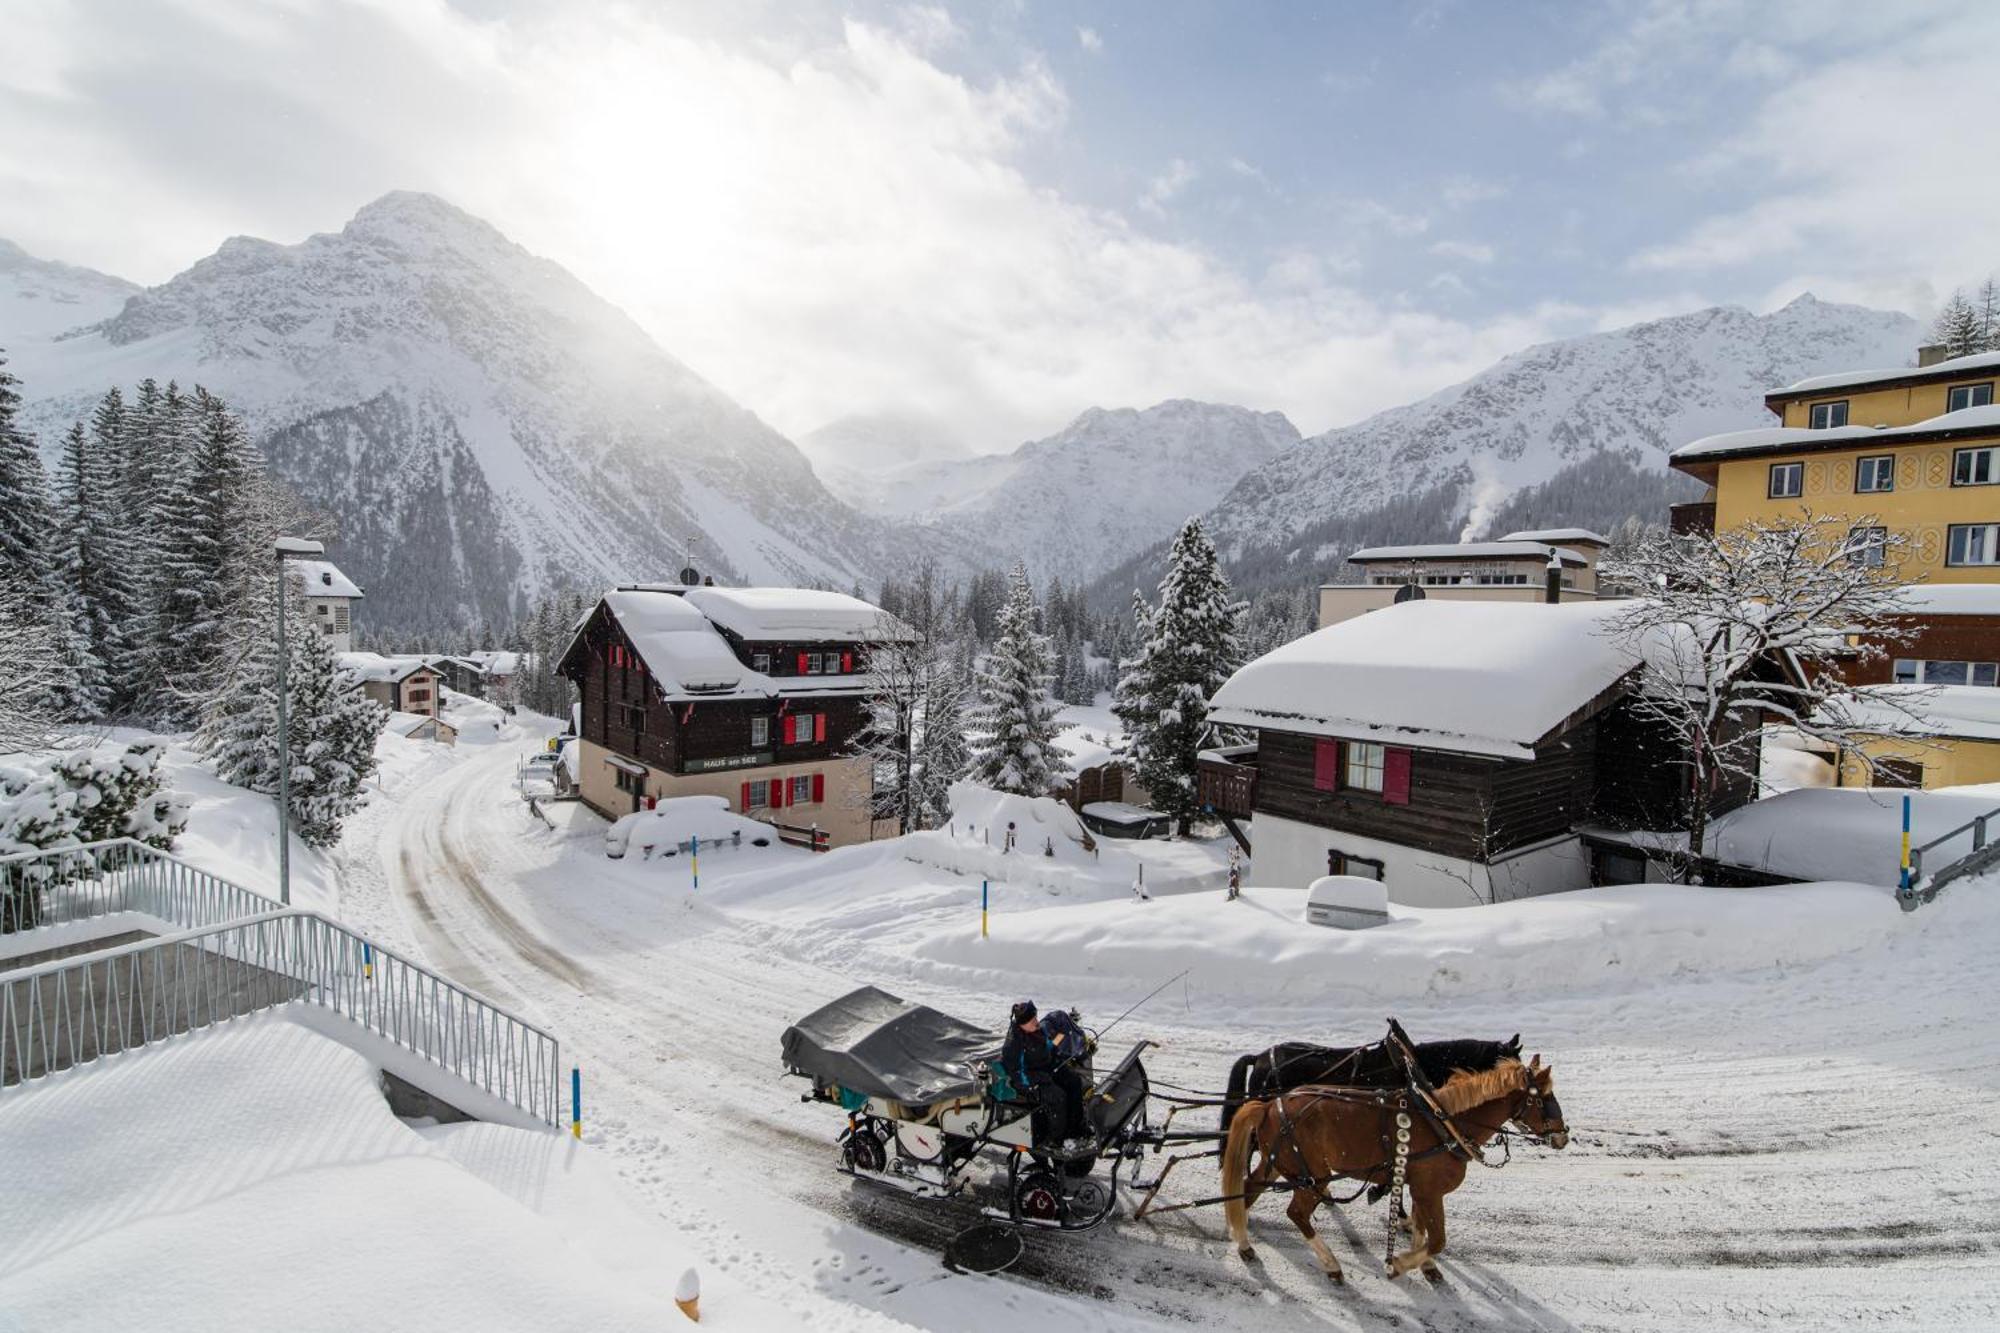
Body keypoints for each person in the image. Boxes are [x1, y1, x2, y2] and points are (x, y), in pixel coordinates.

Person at [1001, 1000, 1087, 1149]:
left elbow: (1047, 1047)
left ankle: (1074, 1130)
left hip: (1045, 1069)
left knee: (1074, 1081)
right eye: (1032, 1019)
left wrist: (1057, 1047)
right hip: (1028, 1081)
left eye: (1035, 1017)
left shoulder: (1037, 1030)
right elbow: (1017, 1073)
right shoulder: (1014, 1043)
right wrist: (1039, 1079)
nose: (1036, 1021)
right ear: (1022, 1023)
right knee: (1058, 1096)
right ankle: (1055, 1141)